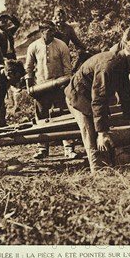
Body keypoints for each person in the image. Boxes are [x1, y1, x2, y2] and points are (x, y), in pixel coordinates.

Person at [64, 35, 130, 173]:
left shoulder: (123, 62)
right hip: (78, 98)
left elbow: (126, 95)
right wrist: (101, 132)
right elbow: (98, 99)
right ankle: (98, 172)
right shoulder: (110, 65)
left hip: (92, 97)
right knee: (91, 134)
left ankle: (111, 161)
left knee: (106, 129)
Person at [25, 20, 77, 160]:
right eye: (50, 30)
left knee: (64, 117)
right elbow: (29, 69)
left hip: (59, 86)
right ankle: (42, 148)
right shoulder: (33, 47)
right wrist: (29, 87)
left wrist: (66, 85)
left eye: (54, 30)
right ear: (42, 31)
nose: (53, 32)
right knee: (41, 117)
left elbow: (68, 68)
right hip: (41, 87)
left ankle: (68, 147)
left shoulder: (61, 45)